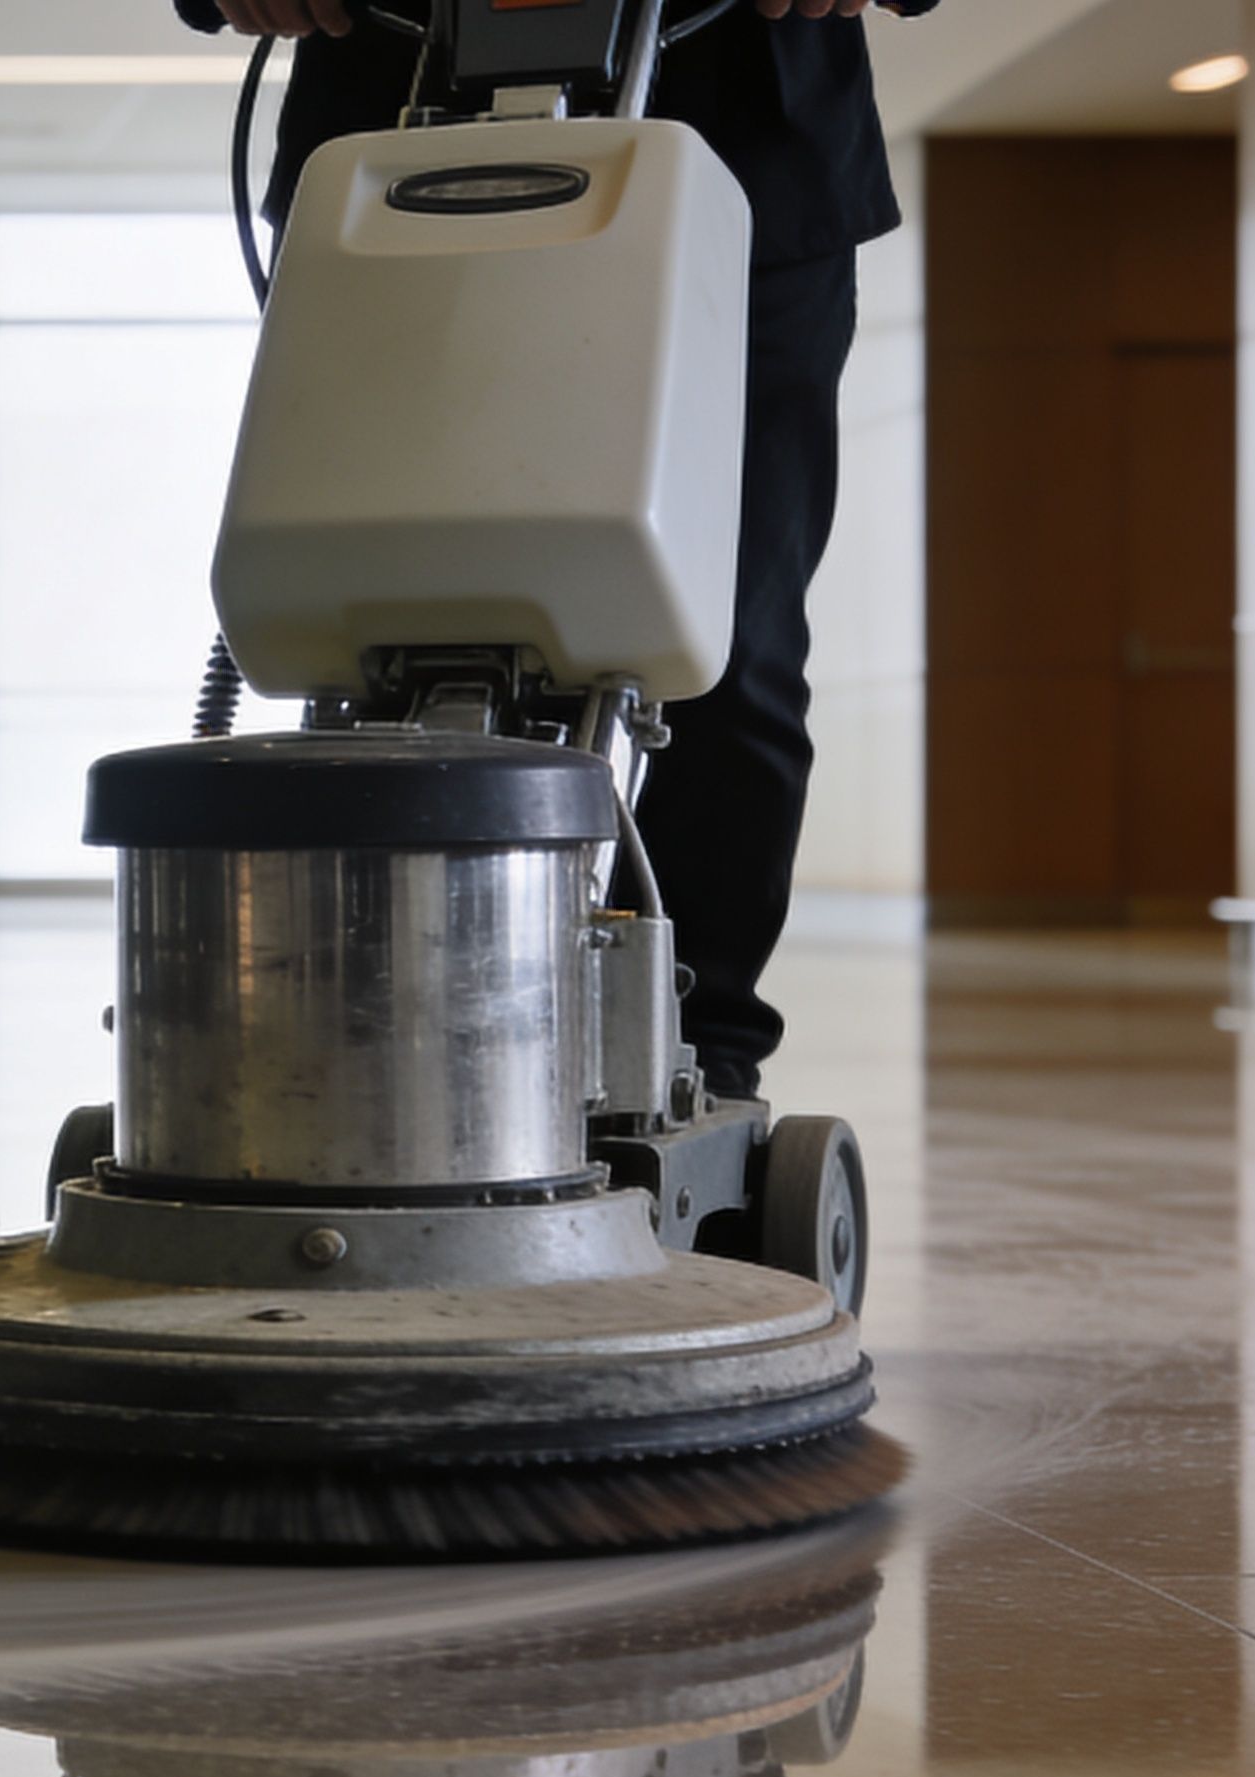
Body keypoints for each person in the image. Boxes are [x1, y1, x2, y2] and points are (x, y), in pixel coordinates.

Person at [175, 0, 932, 1100]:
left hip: (749, 145)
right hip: (393, 132)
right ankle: (369, 1026)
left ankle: (695, 1053)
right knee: (373, 602)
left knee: (724, 637)